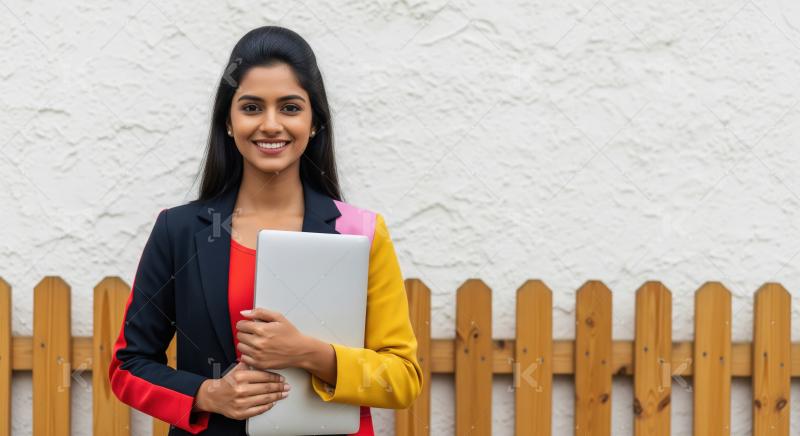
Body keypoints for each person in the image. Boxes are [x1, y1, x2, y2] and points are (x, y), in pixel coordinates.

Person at [108, 25, 423, 435]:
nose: (271, 124)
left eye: (290, 107)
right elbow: (128, 366)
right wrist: (207, 394)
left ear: (314, 123)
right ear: (228, 120)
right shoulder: (179, 230)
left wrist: (309, 353)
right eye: (252, 107)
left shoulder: (359, 232)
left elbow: (402, 377)